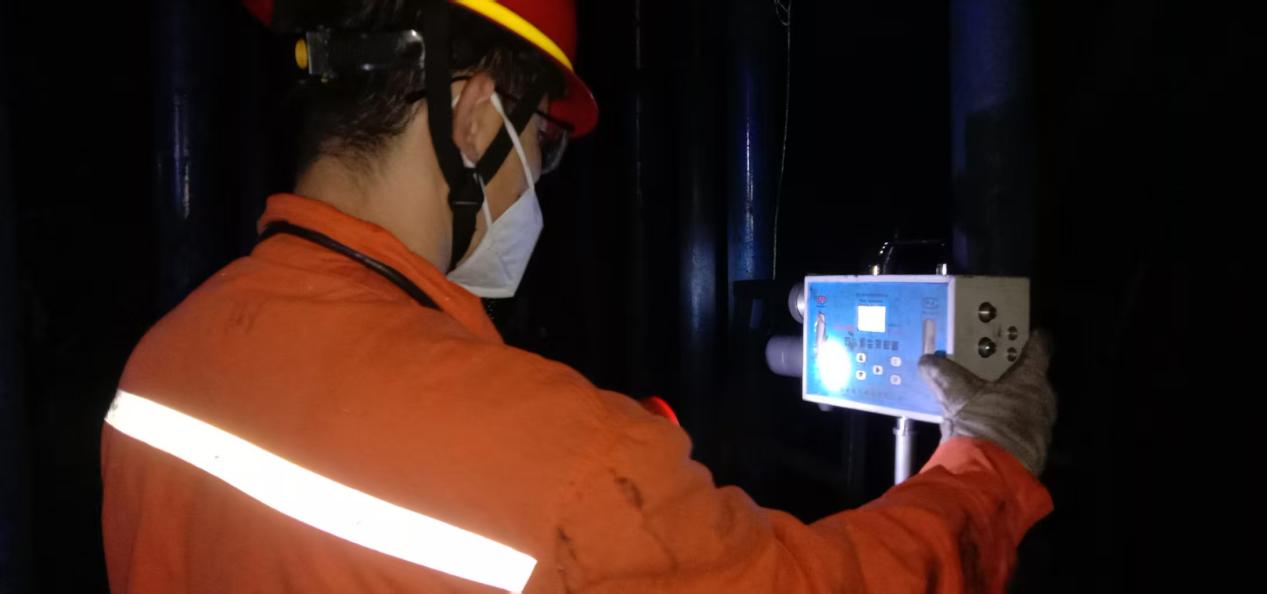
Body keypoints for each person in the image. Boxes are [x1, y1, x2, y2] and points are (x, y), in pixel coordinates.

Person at [101, 1, 1056, 592]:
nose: (538, 179)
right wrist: (989, 466)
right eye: (543, 145)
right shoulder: (565, 460)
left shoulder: (162, 363)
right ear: (473, 114)